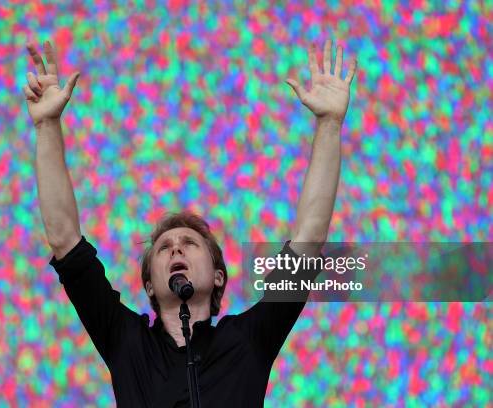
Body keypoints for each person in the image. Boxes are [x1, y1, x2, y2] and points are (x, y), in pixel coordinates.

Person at [24, 38, 357, 407]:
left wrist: (329, 123)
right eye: (164, 248)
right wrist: (47, 126)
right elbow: (65, 241)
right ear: (150, 286)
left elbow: (309, 238)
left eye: (189, 243)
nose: (176, 248)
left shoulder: (247, 340)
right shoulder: (126, 342)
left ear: (218, 276)